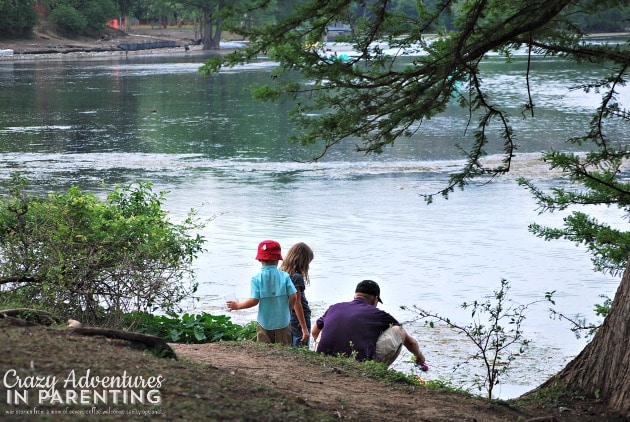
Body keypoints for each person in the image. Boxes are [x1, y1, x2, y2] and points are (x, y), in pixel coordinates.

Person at [311, 280, 427, 368]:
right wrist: (419, 356)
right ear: (375, 299)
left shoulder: (334, 307)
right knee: (399, 331)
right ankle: (378, 370)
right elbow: (410, 342)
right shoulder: (379, 314)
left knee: (325, 325)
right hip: (357, 365)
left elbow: (314, 331)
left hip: (322, 358)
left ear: (355, 296)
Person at [227, 240, 297, 345]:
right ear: (278, 259)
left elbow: (254, 301)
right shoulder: (285, 276)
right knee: (284, 349)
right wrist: (289, 310)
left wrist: (237, 305)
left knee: (264, 349)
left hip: (265, 321)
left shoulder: (256, 278)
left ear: (259, 259)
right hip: (283, 321)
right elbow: (294, 297)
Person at [280, 242, 314, 347]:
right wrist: (304, 329)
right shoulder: (297, 277)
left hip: (287, 316)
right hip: (299, 317)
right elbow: (297, 303)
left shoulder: (282, 273)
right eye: (308, 262)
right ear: (303, 261)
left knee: (289, 345)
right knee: (300, 346)